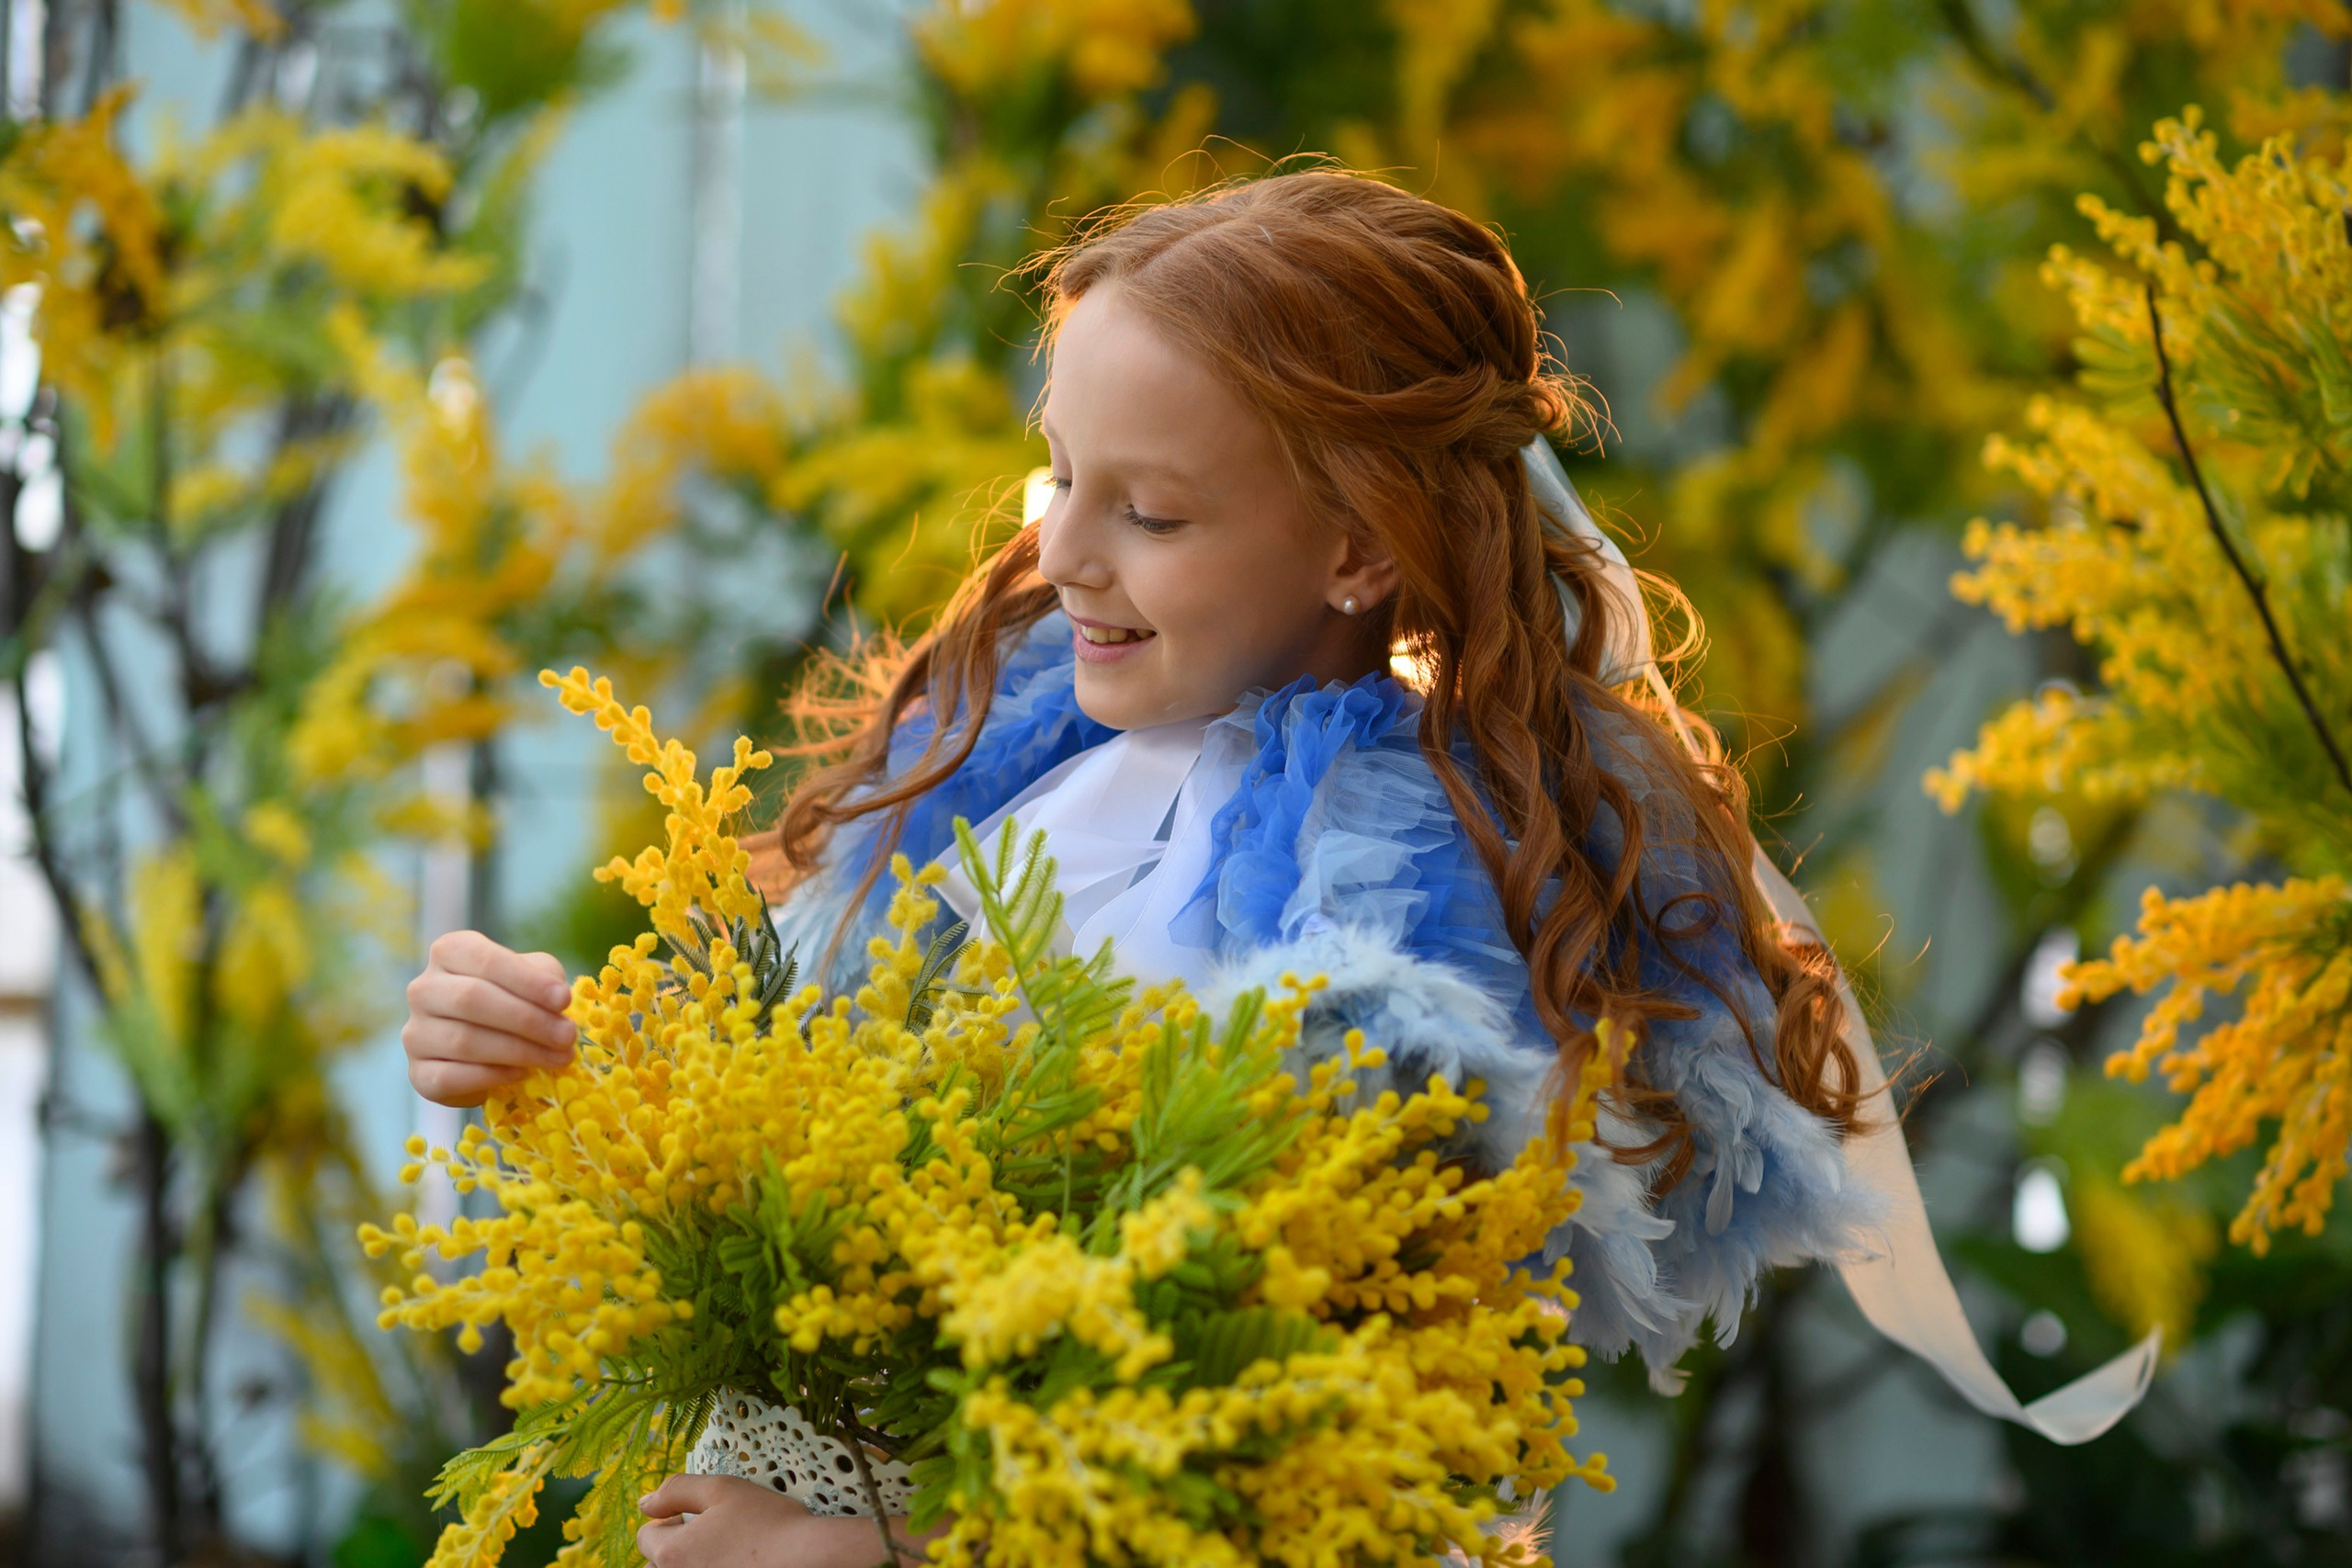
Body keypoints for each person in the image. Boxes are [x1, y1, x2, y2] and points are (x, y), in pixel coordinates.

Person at [397, 171, 2098, 1568]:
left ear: (1359, 545)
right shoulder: (992, 799)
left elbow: (1335, 1434)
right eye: (1061, 475)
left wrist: (891, 1540)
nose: (1059, 550)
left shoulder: (1400, 930)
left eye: (1153, 511)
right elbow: (810, 1170)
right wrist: (572, 1068)